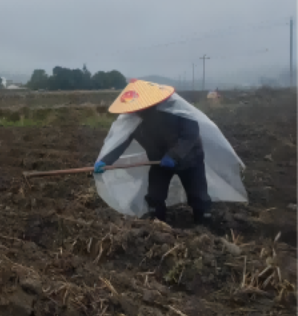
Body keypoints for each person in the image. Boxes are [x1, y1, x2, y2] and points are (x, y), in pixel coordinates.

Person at [93, 79, 246, 224]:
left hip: (190, 158)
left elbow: (190, 135)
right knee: (155, 195)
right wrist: (106, 161)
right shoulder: (134, 120)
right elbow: (121, 142)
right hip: (159, 161)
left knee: (197, 194)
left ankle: (203, 221)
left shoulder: (175, 111)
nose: (136, 112)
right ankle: (157, 222)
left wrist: (174, 155)